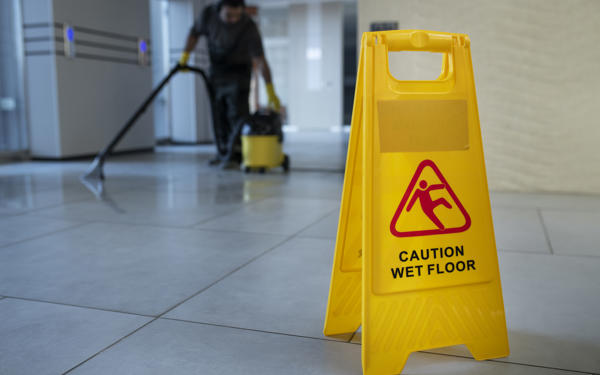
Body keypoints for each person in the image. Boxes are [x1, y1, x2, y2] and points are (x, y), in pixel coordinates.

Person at [179, 0, 280, 169]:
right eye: (229, 16)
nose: (234, 20)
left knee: (237, 115)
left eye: (237, 15)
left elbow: (260, 59)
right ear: (219, 9)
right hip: (217, 71)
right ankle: (222, 153)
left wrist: (270, 89)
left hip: (240, 72)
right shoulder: (208, 15)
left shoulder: (248, 26)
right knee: (218, 115)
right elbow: (194, 34)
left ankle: (236, 155)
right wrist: (184, 57)